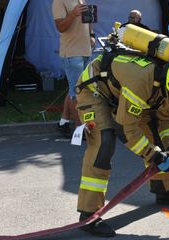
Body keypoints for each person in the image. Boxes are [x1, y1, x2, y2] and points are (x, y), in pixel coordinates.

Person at [74, 40, 169, 236]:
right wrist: (155, 156)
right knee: (104, 141)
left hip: (125, 95)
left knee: (158, 136)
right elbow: (125, 127)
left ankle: (164, 190)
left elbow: (167, 121)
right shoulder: (142, 78)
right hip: (95, 93)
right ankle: (89, 214)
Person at [52, 0, 95, 138]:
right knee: (76, 93)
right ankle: (79, 130)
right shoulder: (58, 2)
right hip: (72, 53)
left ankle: (63, 123)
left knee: (74, 89)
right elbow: (60, 27)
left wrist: (92, 35)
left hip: (86, 52)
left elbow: (88, 21)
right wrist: (72, 15)